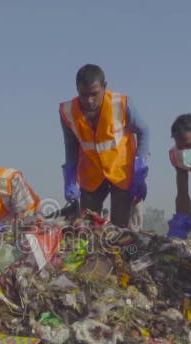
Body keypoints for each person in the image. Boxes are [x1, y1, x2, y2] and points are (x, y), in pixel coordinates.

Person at [60, 64, 150, 227]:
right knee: (87, 226)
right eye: (83, 94)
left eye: (94, 94)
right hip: (90, 174)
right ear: (77, 89)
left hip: (120, 171)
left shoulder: (121, 103)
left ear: (104, 87)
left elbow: (144, 131)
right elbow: (71, 146)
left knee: (120, 228)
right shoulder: (68, 111)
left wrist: (140, 166)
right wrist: (70, 178)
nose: (89, 100)